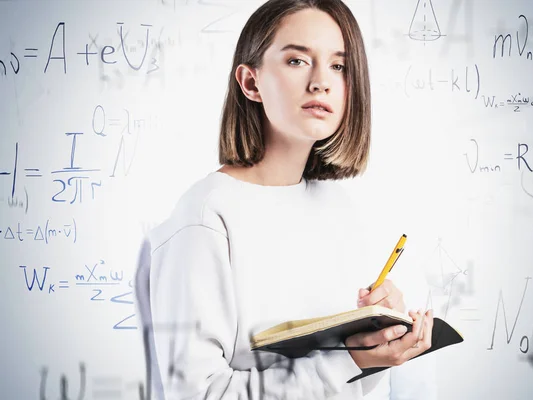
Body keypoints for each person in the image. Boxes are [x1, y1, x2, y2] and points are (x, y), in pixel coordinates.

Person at [144, 0, 434, 398]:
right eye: (297, 61)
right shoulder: (206, 218)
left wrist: (379, 336)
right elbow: (201, 393)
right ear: (250, 83)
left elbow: (346, 386)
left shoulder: (339, 209)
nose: (321, 82)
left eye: (339, 66)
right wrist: (351, 361)